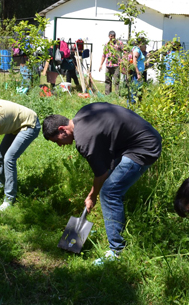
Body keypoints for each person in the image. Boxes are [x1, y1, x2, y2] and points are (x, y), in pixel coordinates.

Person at [42, 103, 162, 264]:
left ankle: (116, 251)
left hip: (143, 148)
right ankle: (113, 227)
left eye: (57, 140)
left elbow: (101, 174)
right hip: (143, 137)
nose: (60, 145)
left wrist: (91, 196)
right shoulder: (84, 113)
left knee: (109, 192)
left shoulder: (83, 140)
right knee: (113, 183)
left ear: (63, 129)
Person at [99, 30, 123, 95]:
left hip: (116, 65)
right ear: (109, 36)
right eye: (111, 36)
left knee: (116, 81)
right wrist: (101, 64)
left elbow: (124, 51)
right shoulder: (107, 44)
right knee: (107, 80)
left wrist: (122, 61)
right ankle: (107, 94)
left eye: (113, 36)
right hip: (108, 65)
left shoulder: (119, 43)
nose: (112, 37)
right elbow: (104, 55)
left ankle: (117, 95)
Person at [129, 37, 148, 103]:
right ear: (140, 44)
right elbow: (134, 62)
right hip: (136, 74)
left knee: (136, 91)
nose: (145, 46)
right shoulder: (137, 50)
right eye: (144, 45)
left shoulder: (137, 49)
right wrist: (138, 74)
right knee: (134, 91)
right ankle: (132, 107)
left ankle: (134, 106)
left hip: (137, 73)